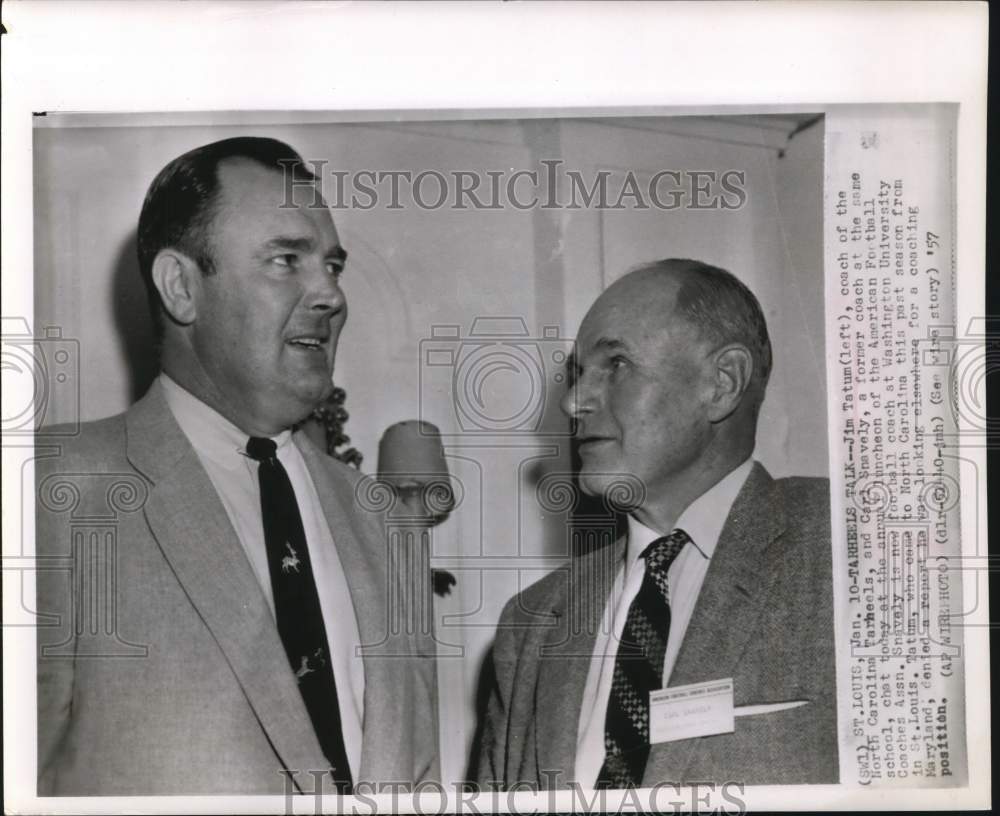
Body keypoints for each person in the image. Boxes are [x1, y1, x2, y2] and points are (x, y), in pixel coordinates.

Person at [35, 137, 438, 795]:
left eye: (332, 265)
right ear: (182, 287)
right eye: (287, 260)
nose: (330, 294)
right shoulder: (49, 492)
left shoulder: (387, 525)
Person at [473, 259, 837, 789]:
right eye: (578, 374)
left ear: (722, 383)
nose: (574, 401)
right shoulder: (532, 625)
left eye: (616, 364)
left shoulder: (848, 546)